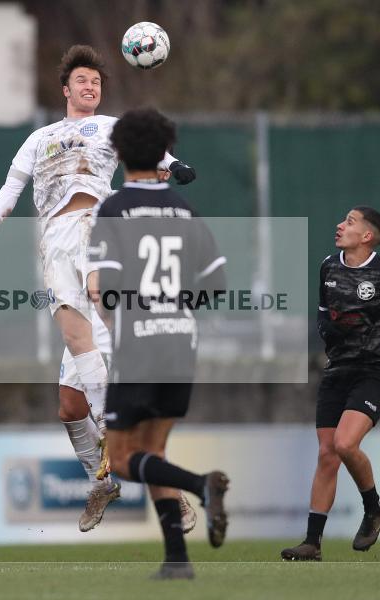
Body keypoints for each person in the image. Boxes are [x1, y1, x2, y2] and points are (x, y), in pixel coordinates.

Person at [0, 45, 197, 532]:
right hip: (54, 243)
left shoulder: (112, 127)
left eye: (96, 81)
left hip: (99, 230)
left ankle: (162, 487)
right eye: (81, 80)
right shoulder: (41, 137)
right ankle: (103, 482)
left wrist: (173, 165)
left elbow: (149, 153)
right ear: (66, 88)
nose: (90, 87)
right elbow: (12, 186)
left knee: (102, 320)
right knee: (69, 405)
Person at [86, 108, 230, 580]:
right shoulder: (183, 208)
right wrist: (175, 305)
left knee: (126, 459)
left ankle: (201, 487)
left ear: (120, 152)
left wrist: (121, 315)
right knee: (154, 455)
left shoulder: (114, 208)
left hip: (138, 347)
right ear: (163, 155)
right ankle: (177, 560)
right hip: (180, 342)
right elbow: (216, 281)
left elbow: (104, 290)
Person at [281, 207, 380, 561]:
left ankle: (374, 509)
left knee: (343, 443)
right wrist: (327, 328)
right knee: (327, 454)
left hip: (375, 371)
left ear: (367, 236)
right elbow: (325, 313)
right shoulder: (328, 265)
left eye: (350, 222)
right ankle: (312, 543)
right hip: (338, 370)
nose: (340, 225)